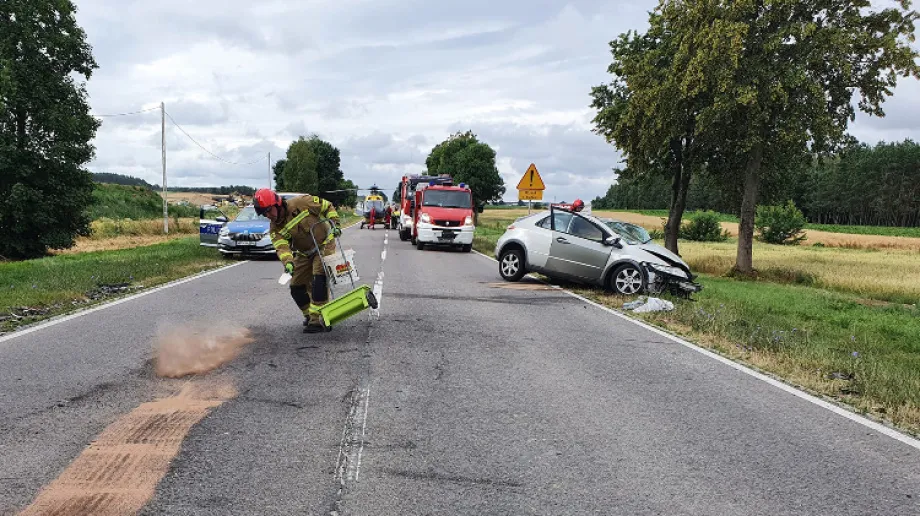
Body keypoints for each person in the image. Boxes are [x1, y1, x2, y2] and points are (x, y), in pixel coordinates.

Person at [253, 189, 341, 333]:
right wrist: (288, 262)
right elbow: (282, 248)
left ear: (277, 204)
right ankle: (308, 315)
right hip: (303, 254)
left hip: (323, 245)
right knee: (296, 286)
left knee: (319, 278)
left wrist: (335, 225)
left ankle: (317, 320)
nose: (268, 216)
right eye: (264, 213)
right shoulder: (275, 228)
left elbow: (327, 206)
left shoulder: (302, 202)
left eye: (268, 211)